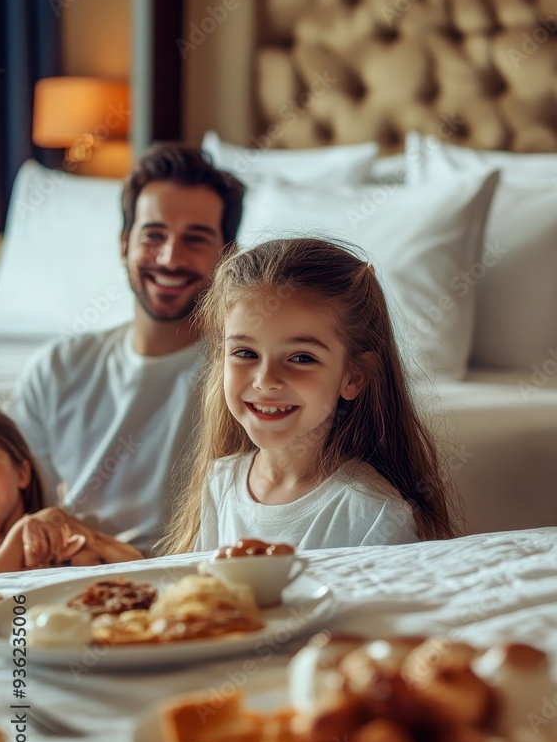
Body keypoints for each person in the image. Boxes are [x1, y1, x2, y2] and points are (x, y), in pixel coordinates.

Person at [13, 145, 245, 557]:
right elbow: (26, 517)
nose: (171, 258)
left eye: (195, 239)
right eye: (154, 235)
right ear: (124, 243)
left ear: (228, 255)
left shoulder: (247, 376)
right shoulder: (55, 369)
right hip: (70, 582)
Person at [165, 237, 457, 554]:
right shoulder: (221, 480)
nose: (266, 381)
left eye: (302, 358)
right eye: (246, 352)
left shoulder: (373, 515)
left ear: (354, 376)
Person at [0, 409, 142, 571]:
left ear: (22, 474)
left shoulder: (74, 532)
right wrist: (17, 541)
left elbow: (147, 574)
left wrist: (95, 541)